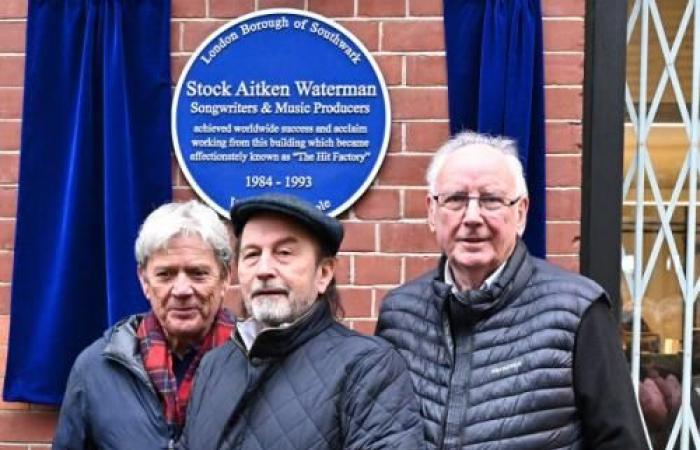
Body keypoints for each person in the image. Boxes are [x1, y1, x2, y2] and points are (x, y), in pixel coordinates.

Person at [376, 131, 648, 449]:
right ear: (432, 212)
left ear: (520, 213)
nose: (472, 217)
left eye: (491, 200)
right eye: (455, 199)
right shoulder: (399, 315)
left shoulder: (577, 313)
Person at [181, 193, 424, 450]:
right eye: (252, 254)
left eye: (284, 252)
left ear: (323, 273)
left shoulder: (368, 368)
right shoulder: (214, 365)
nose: (263, 269)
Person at [53, 200, 236, 449]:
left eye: (197, 273)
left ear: (225, 278)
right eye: (165, 274)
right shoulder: (95, 368)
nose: (182, 290)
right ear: (145, 281)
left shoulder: (258, 362)